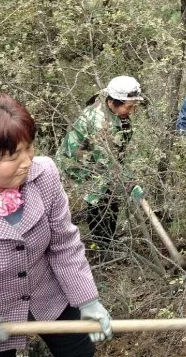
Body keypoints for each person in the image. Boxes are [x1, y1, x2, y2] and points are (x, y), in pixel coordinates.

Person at [0, 94, 112, 356]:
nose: (27, 162)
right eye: (13, 155)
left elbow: (64, 242)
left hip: (47, 293)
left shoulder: (44, 174)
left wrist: (88, 299)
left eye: (29, 147)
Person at [56, 76, 143, 248]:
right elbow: (107, 162)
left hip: (98, 159)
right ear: (112, 102)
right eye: (129, 107)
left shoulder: (113, 104)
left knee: (112, 193)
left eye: (134, 106)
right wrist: (129, 183)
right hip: (78, 162)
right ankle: (102, 244)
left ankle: (110, 236)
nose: (131, 111)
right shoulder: (100, 123)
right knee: (99, 196)